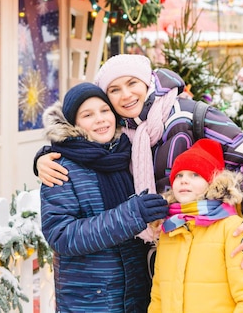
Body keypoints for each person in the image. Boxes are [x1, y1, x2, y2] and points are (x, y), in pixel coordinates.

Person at [35, 54, 243, 271]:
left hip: (209, 248)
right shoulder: (121, 133)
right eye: (115, 89)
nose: (127, 95)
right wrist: (43, 157)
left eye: (132, 83)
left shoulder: (190, 115)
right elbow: (82, 146)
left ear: (147, 82)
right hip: (158, 258)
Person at [40, 82, 169, 313]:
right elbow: (61, 235)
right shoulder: (60, 167)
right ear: (74, 124)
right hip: (91, 299)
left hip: (135, 292)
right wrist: (133, 214)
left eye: (104, 110)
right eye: (87, 115)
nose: (100, 119)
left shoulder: (128, 153)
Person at [148, 138, 243, 312]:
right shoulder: (169, 231)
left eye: (195, 175)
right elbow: (158, 297)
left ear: (212, 182)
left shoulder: (232, 229)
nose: (184, 180)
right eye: (179, 175)